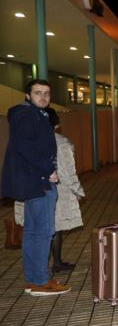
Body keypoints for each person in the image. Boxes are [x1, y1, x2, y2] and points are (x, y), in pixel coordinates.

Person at [1, 79, 70, 296]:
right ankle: (40, 282)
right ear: (28, 95)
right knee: (42, 232)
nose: (43, 97)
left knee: (32, 232)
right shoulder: (27, 115)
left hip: (32, 182)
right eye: (38, 93)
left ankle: (33, 280)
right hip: (39, 182)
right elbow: (25, 147)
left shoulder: (32, 114)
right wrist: (47, 169)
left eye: (47, 93)